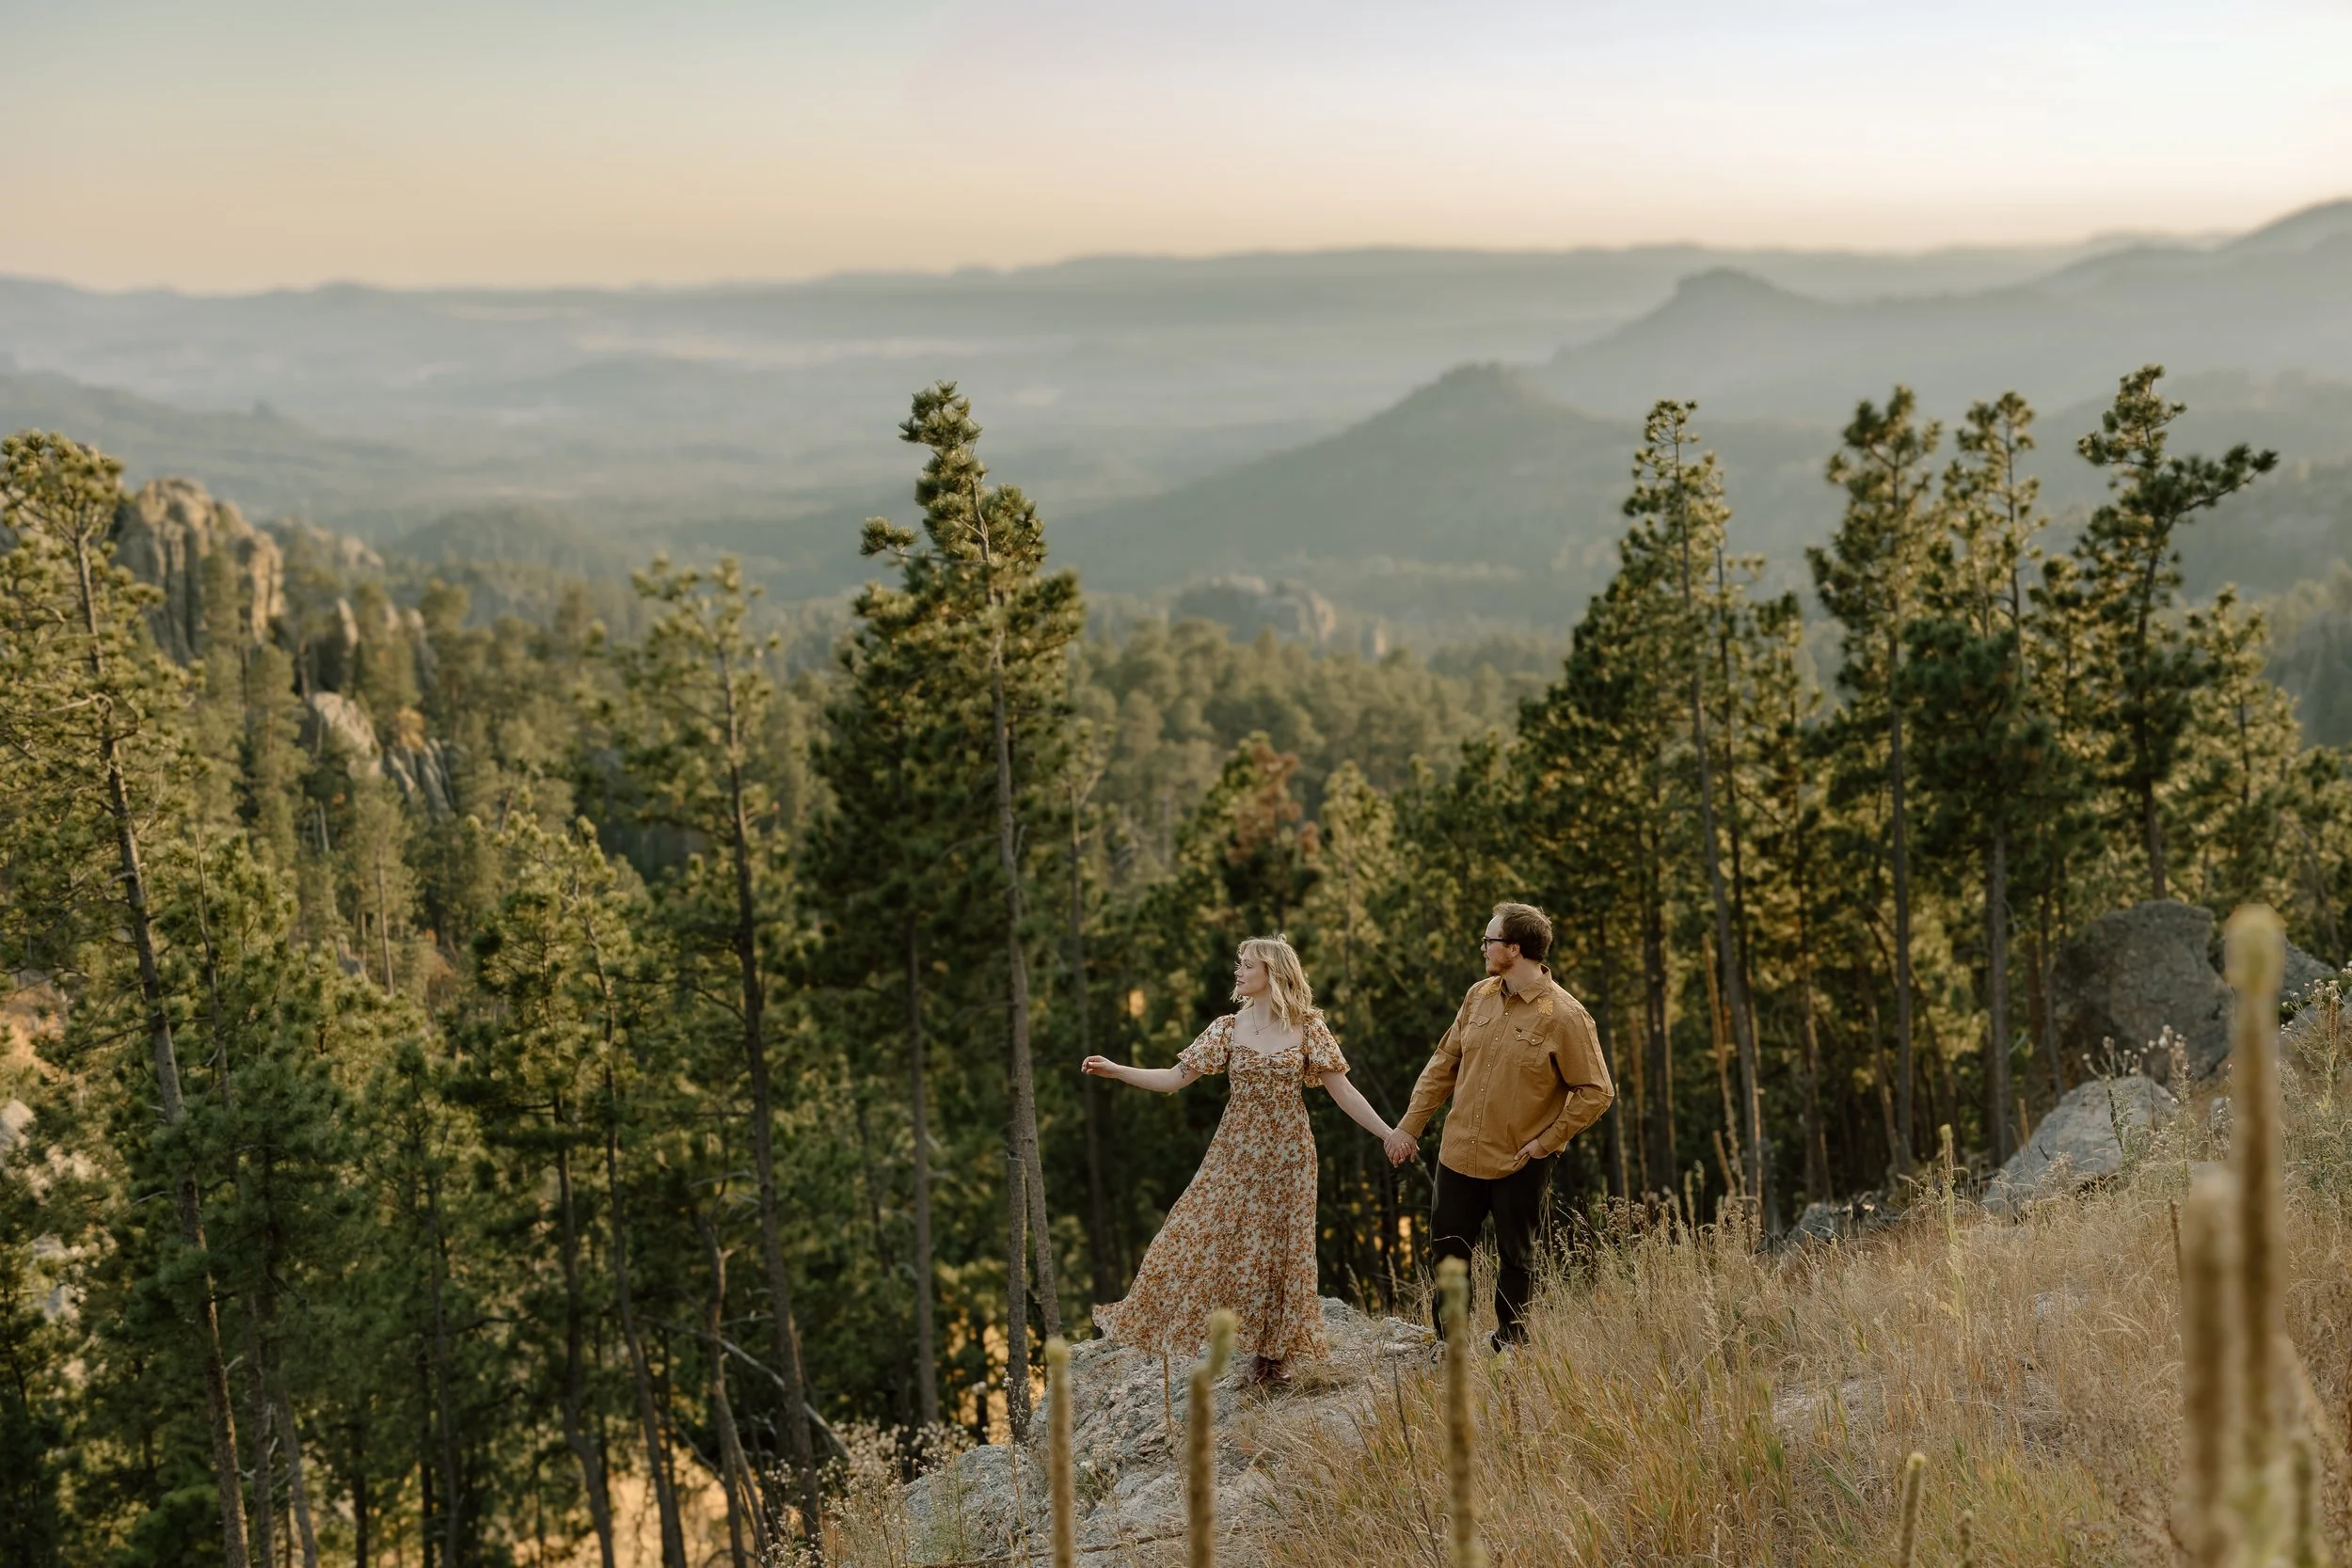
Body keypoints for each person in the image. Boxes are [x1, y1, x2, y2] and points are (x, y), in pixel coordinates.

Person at [1084, 936, 1402, 1385]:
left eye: (1247, 965)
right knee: (1190, 1228)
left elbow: (1344, 1091)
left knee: (1281, 1249)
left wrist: (1390, 1134)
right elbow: (1174, 1079)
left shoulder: (1308, 1027)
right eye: (1239, 964)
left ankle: (1272, 1357)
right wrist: (1117, 1070)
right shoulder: (1226, 1028)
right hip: (1234, 1152)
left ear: (1273, 972)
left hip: (1290, 1156)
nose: (1238, 971)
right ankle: (1188, 1324)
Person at [1385, 901, 1613, 1351]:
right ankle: (1449, 1346)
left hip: (1520, 1160)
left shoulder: (1565, 1016)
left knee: (1517, 1258)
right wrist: (1410, 1127)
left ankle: (1511, 1344)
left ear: (1514, 948)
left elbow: (1596, 1090)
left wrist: (1548, 1142)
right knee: (1449, 1254)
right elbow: (1443, 1063)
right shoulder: (1479, 995)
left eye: (1489, 940)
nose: (1483, 948)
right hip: (1458, 1153)